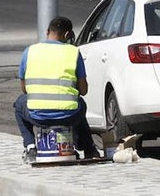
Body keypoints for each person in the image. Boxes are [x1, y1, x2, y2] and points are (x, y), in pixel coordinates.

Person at [14, 16, 99, 164]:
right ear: (67, 35)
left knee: (19, 104)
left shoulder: (30, 51)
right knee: (79, 103)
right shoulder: (73, 52)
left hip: (37, 116)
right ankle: (88, 148)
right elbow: (83, 90)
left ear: (47, 31)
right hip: (69, 116)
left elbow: (24, 89)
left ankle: (31, 146)